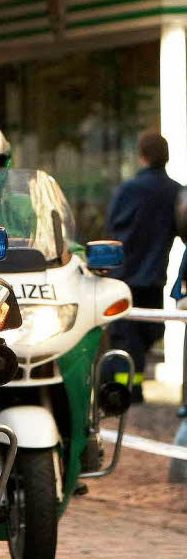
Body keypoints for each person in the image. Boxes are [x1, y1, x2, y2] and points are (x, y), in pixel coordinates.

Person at [104, 130, 185, 401]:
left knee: (126, 338)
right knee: (148, 332)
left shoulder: (127, 190)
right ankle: (132, 387)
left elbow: (110, 231)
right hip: (154, 278)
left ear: (141, 157)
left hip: (123, 277)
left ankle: (127, 391)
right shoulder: (176, 193)